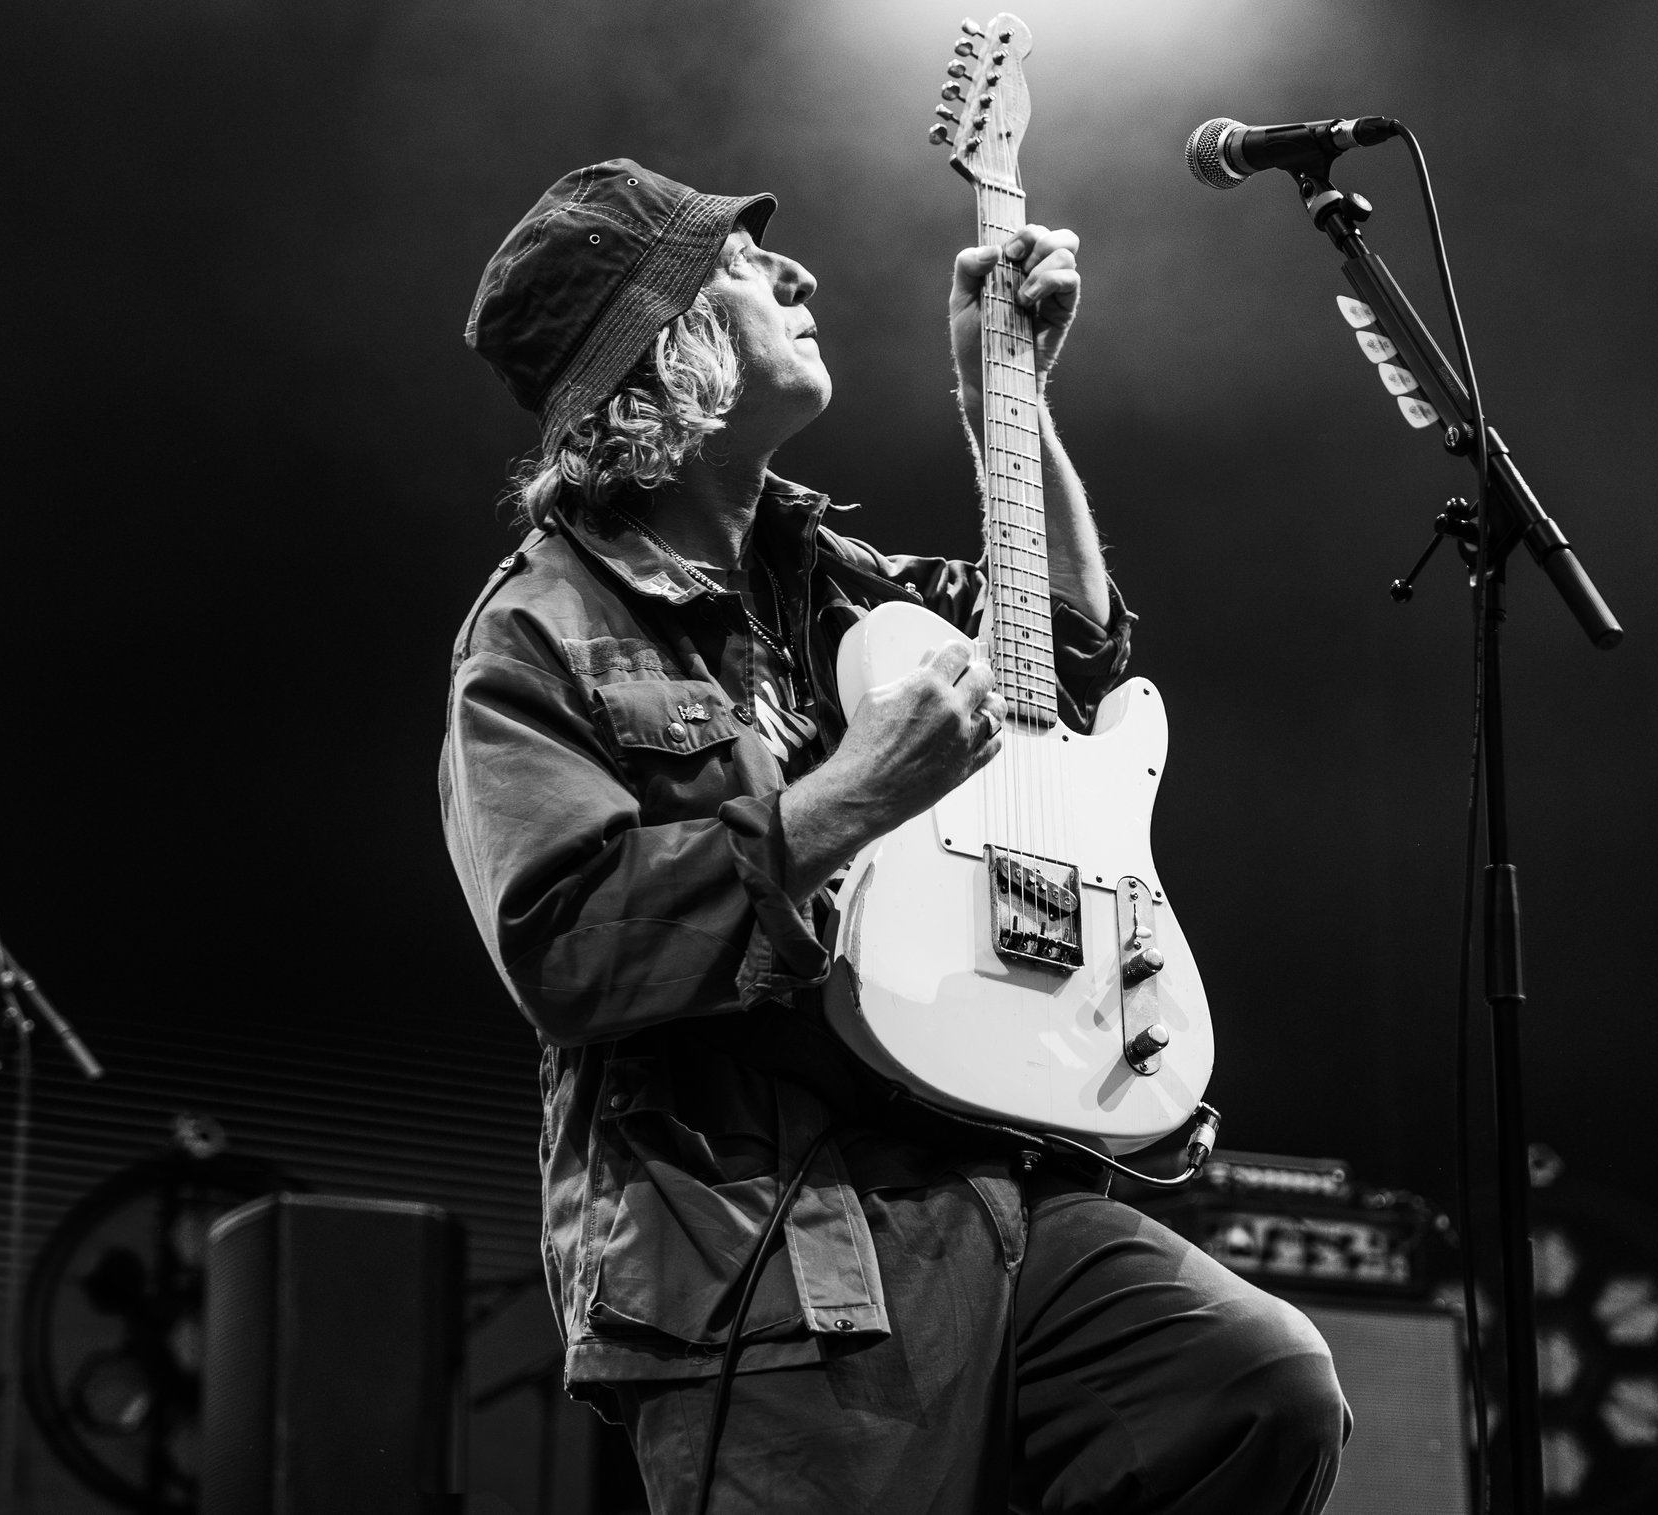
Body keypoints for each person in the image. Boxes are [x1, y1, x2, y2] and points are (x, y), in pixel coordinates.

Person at [440, 159, 1348, 1514]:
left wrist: (1012, 399)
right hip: (765, 1248)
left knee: (1247, 1380)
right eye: (744, 267)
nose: (797, 275)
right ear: (664, 346)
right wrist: (848, 798)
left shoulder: (846, 581)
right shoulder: (538, 632)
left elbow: (1065, 679)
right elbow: (567, 946)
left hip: (993, 1177)